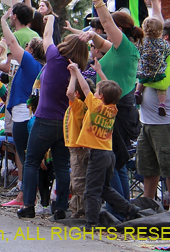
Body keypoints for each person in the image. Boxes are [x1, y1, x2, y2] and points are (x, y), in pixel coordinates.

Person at [64, 0, 142, 208]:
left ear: (118, 30)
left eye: (106, 28)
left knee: (114, 162)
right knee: (114, 162)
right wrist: (88, 35)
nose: (101, 28)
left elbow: (107, 22)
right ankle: (121, 209)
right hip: (112, 108)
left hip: (119, 110)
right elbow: (102, 41)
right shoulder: (119, 49)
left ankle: (120, 211)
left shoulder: (126, 47)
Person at [17, 15, 89, 220]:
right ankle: (60, 209)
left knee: (31, 161)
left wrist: (50, 19)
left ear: (67, 45)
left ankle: (29, 205)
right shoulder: (79, 69)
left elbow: (47, 35)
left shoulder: (55, 57)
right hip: (65, 124)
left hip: (44, 119)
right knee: (62, 165)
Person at [65, 60, 142, 229]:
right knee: (105, 188)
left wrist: (77, 71)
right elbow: (113, 90)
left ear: (99, 96)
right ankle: (129, 208)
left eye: (97, 91)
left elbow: (85, 88)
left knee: (91, 191)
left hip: (98, 155)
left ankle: (91, 222)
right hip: (109, 154)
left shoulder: (95, 105)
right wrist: (100, 71)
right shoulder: (113, 108)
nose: (94, 92)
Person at [137, 18, 170, 212]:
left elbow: (162, 83)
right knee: (148, 168)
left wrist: (142, 76)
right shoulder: (162, 52)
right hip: (149, 121)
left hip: (168, 123)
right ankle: (148, 205)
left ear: (165, 37)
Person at [0, 9, 45, 208]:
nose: (24, 48)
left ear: (31, 51)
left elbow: (11, 43)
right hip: (28, 112)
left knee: (25, 156)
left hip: (22, 114)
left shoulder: (30, 62)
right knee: (30, 156)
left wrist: (3, 22)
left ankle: (26, 196)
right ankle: (32, 195)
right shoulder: (40, 65)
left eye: (28, 47)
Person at [135, 17, 170, 116]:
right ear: (161, 31)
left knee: (141, 80)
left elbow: (138, 52)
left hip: (144, 70)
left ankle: (138, 92)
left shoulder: (142, 42)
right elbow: (168, 52)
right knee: (161, 88)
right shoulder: (163, 43)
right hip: (158, 72)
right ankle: (162, 104)